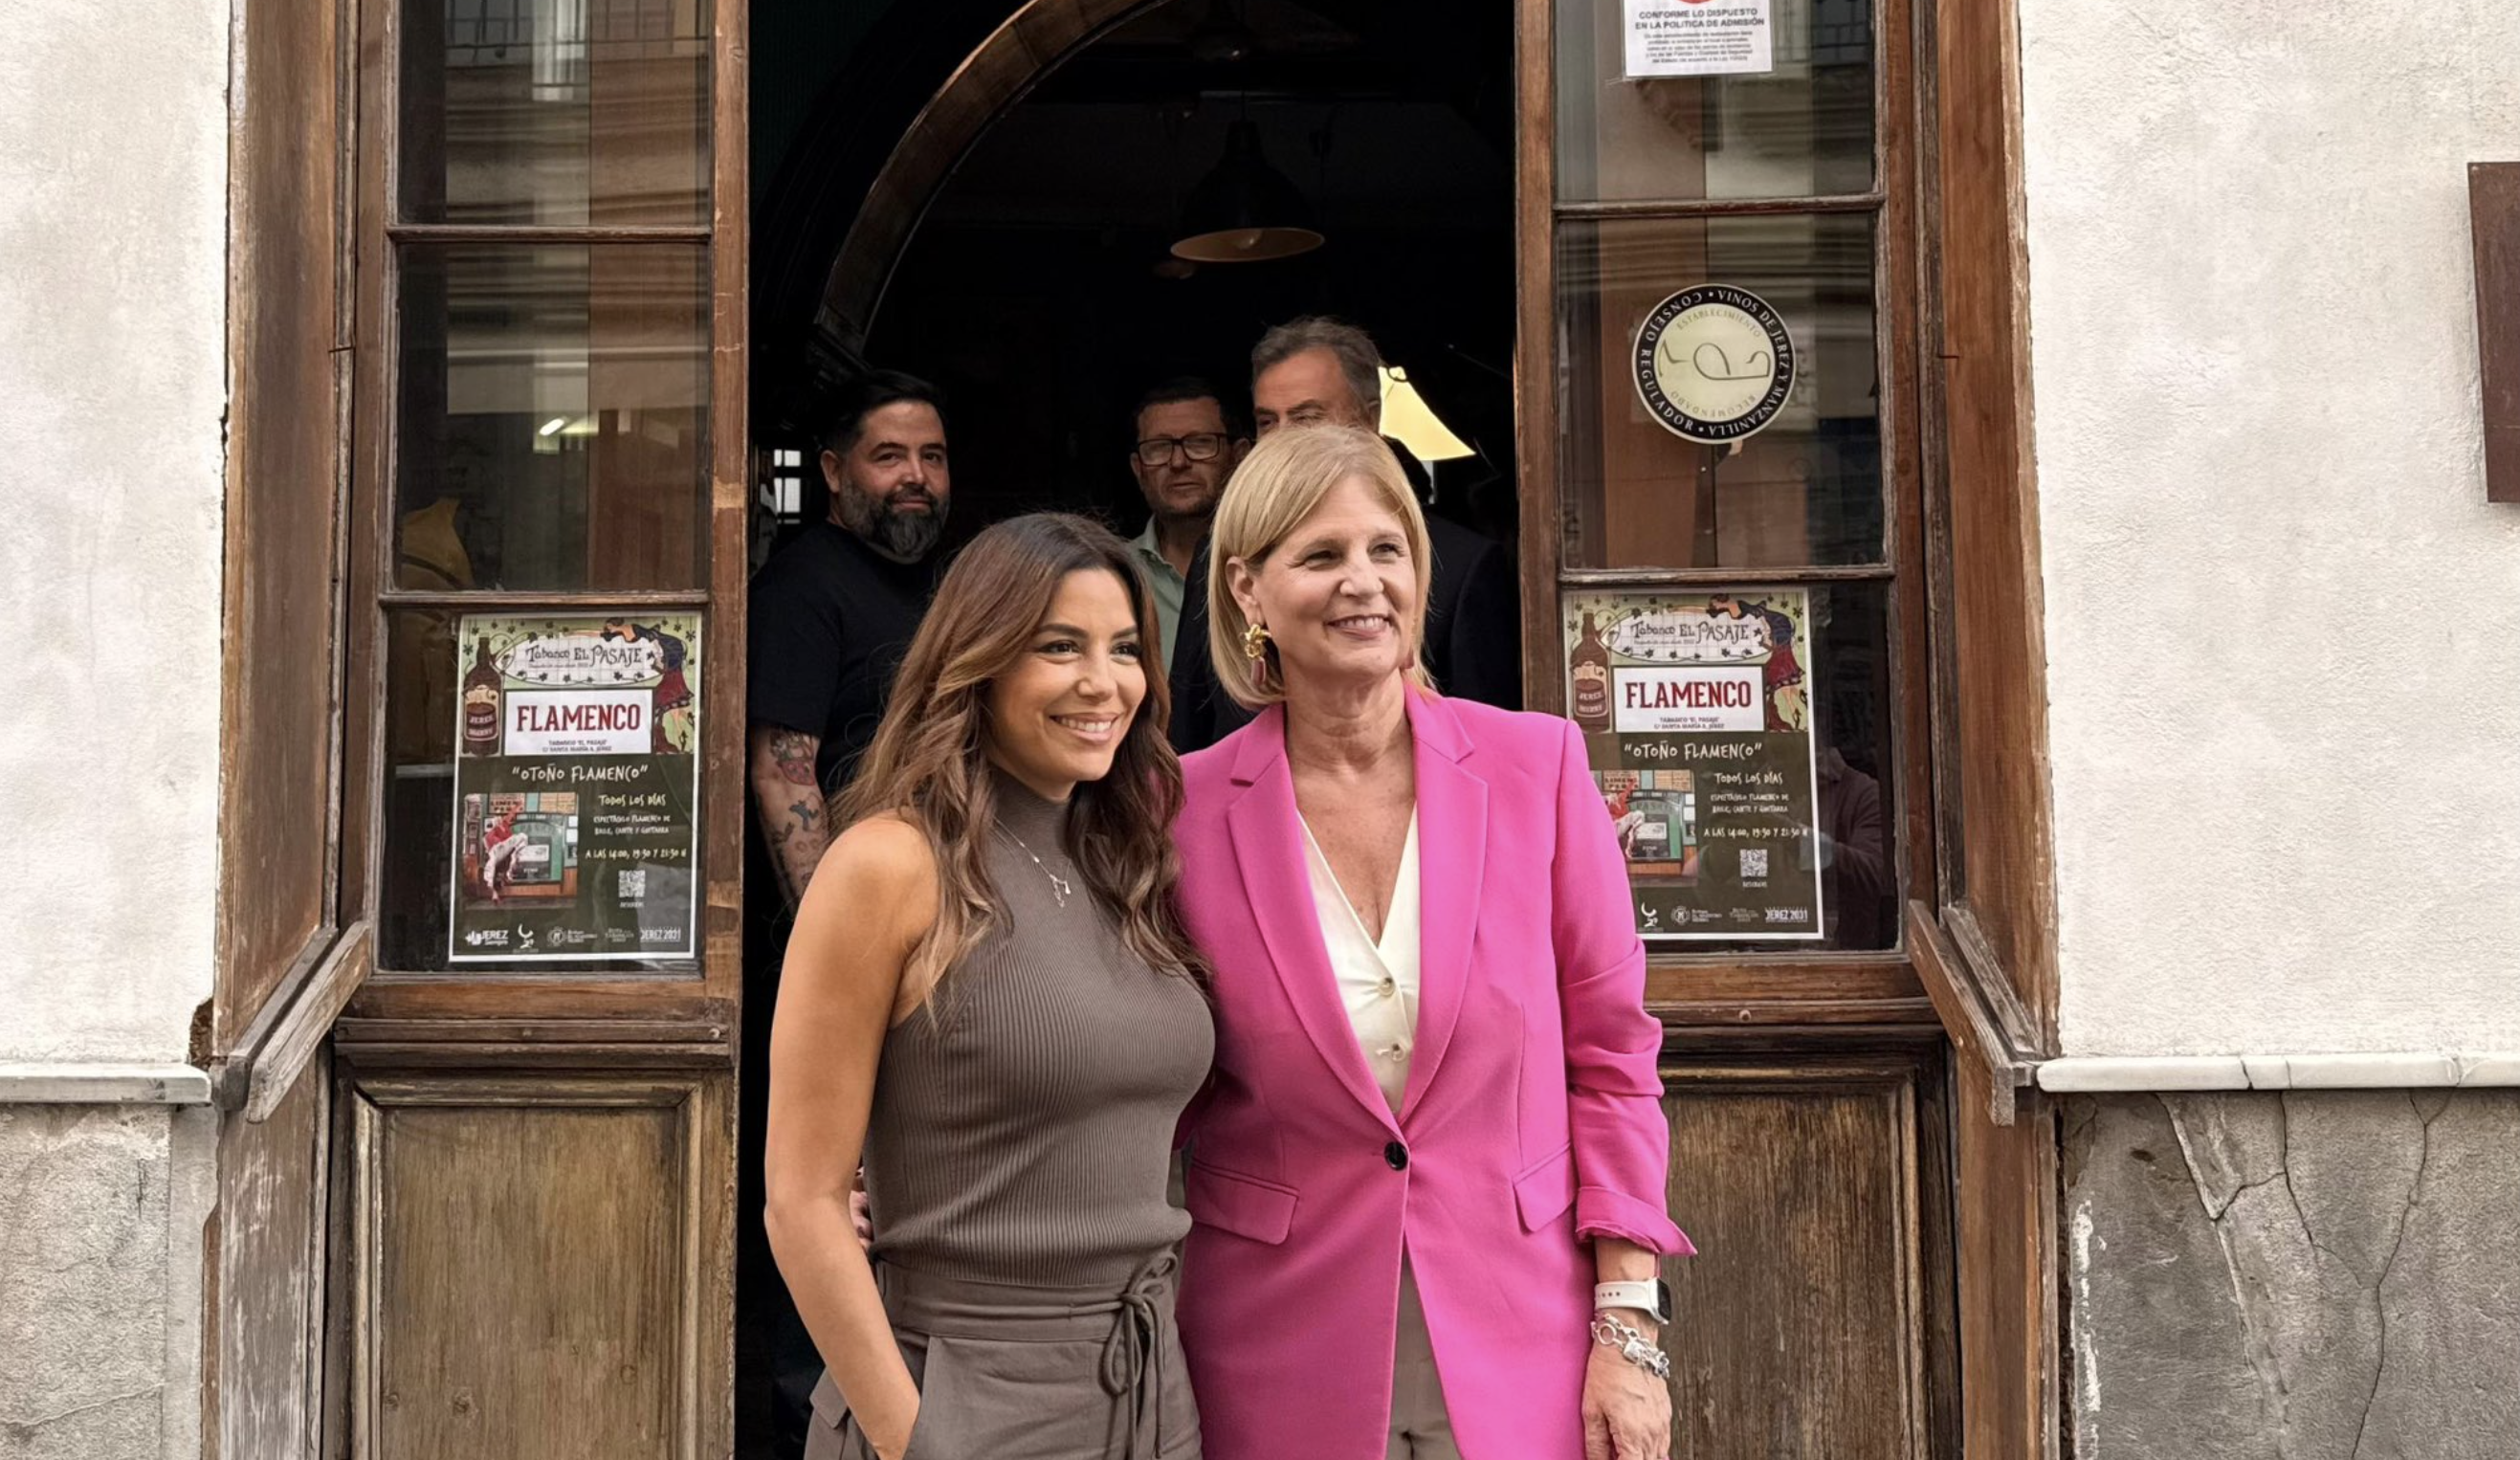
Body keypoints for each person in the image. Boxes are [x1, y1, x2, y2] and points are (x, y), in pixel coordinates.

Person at [1172, 425, 1689, 1460]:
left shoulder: (1536, 768)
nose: (1364, 582)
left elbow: (1613, 1060)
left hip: (1523, 1331)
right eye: (1321, 556)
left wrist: (1629, 1326)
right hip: (1269, 1341)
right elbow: (1120, 1057)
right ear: (1247, 589)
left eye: (1387, 549)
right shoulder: (1175, 812)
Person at [767, 514, 1213, 1460]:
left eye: (1125, 648)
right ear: (981, 661)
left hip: (1150, 1392)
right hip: (964, 1395)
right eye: (1060, 646)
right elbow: (801, 1200)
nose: (1104, 682)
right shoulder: (887, 864)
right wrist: (912, 1437)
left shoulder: (1128, 858)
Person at [741, 369, 952, 1457]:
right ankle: (820, 1424)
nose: (915, 478)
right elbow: (787, 772)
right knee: (828, 1189)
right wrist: (841, 941)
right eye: (888, 456)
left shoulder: (937, 586)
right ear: (832, 473)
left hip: (937, 940)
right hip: (851, 954)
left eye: (931, 456)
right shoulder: (807, 586)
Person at [1170, 318, 1519, 751]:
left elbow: (1486, 752)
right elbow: (1186, 732)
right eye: (1267, 422)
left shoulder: (1463, 564)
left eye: (1307, 417)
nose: (1284, 439)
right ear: (1244, 585)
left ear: (1369, 419)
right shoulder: (1221, 551)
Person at [1124, 377, 1245, 673]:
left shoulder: (1268, 564)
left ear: (1240, 455)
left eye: (1200, 443)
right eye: (1158, 448)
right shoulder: (1112, 571)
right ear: (1138, 469)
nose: (1178, 462)